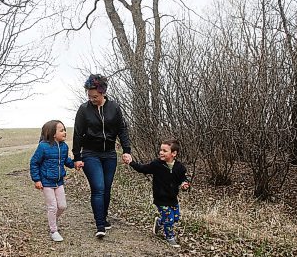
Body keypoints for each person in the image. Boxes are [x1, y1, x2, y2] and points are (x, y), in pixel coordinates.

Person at [73, 74, 132, 238]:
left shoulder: (114, 107)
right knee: (98, 188)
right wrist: (77, 157)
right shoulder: (83, 110)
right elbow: (78, 134)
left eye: (95, 96)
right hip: (90, 153)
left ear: (103, 93)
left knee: (106, 188)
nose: (92, 99)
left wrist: (127, 150)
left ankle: (103, 217)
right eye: (89, 95)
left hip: (110, 154)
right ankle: (100, 225)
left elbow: (122, 129)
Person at [127, 139, 189, 247]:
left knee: (176, 218)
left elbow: (183, 179)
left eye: (165, 151)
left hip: (172, 198)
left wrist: (184, 184)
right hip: (161, 198)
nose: (161, 152)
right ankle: (169, 237)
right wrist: (131, 162)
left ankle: (159, 222)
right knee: (169, 219)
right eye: (161, 150)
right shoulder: (156, 164)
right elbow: (143, 169)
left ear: (174, 153)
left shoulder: (179, 167)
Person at [30, 120, 77, 242]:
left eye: (64, 129)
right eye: (61, 130)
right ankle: (53, 230)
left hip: (59, 181)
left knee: (62, 206)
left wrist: (75, 164)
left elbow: (66, 161)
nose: (65, 132)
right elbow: (34, 163)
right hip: (46, 182)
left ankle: (52, 220)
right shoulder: (43, 146)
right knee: (52, 207)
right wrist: (37, 180)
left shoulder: (64, 146)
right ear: (52, 133)